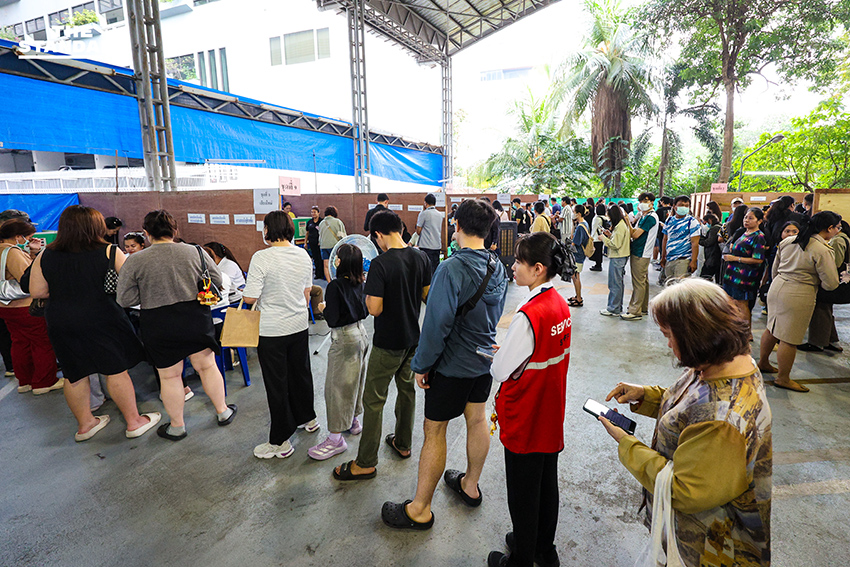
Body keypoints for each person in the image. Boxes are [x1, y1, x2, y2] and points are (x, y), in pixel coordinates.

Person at [600, 278, 771, 567]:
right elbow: (691, 406)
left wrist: (626, 443)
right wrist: (646, 396)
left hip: (711, 548)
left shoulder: (724, 421)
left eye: (669, 334)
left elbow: (685, 490)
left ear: (696, 335)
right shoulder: (719, 363)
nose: (667, 343)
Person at [382, 199, 508, 531]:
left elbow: (436, 325)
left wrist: (422, 365)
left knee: (435, 431)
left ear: (458, 226)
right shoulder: (498, 266)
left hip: (452, 367)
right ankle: (470, 485)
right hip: (484, 362)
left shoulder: (451, 268)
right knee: (477, 419)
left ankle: (420, 509)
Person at [30, 206, 160, 441]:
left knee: (74, 373)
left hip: (62, 320)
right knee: (115, 370)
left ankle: (86, 425)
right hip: (103, 318)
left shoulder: (46, 254)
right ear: (97, 226)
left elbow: (37, 290)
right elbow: (130, 285)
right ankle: (134, 421)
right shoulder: (110, 251)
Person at [485, 231, 570, 567]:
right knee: (547, 482)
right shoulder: (559, 303)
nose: (514, 266)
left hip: (527, 413)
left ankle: (520, 557)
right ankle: (542, 548)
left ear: (537, 268)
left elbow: (502, 371)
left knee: (522, 490)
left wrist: (499, 356)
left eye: (519, 261)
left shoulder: (529, 313)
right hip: (550, 410)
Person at [116, 210, 235, 440]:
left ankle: (177, 426)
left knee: (169, 376)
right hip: (195, 317)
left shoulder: (137, 260)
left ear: (147, 234)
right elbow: (218, 282)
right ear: (175, 231)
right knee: (207, 366)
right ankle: (223, 411)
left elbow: (124, 299)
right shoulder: (196, 252)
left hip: (158, 322)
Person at [333, 211, 431, 481]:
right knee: (407, 391)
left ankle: (365, 462)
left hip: (388, 344)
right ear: (400, 228)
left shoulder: (381, 264)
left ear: (378, 235)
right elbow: (427, 296)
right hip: (413, 340)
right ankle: (403, 443)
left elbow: (374, 309)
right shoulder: (421, 256)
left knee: (374, 401)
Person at [243, 211, 318, 458]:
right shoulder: (302, 254)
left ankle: (280, 442)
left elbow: (250, 297)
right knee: (301, 374)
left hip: (272, 330)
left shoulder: (261, 257)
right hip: (298, 325)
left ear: (267, 230)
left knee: (277, 384)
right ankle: (308, 419)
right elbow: (308, 292)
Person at [758, 211, 841, 392]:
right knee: (790, 338)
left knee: (771, 327)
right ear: (829, 228)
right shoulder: (821, 249)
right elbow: (830, 283)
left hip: (778, 286)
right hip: (799, 293)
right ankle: (783, 378)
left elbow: (775, 268)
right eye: (837, 228)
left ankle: (763, 362)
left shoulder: (788, 241)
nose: (837, 231)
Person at [308, 243, 369, 460]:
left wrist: (324, 308)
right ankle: (352, 420)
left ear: (340, 262)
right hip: (361, 334)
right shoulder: (361, 282)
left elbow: (333, 319)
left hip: (343, 338)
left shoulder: (335, 287)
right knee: (353, 381)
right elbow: (365, 310)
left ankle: (335, 439)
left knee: (335, 387)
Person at [0, 219, 62, 395]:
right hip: (24, 306)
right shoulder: (12, 253)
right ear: (18, 236)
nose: (29, 240)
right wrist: (35, 255)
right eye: (28, 237)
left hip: (6, 306)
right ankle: (44, 381)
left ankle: (25, 380)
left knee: (20, 342)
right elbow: (28, 280)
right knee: (42, 342)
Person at [799, 220, 850, 353]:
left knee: (821, 309)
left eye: (837, 227)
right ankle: (831, 340)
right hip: (839, 280)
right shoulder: (845, 239)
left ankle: (817, 343)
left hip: (833, 280)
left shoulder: (838, 241)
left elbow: (836, 263)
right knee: (827, 311)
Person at [722, 208, 767, 336]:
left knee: (742, 304)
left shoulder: (759, 237)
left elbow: (758, 259)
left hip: (745, 277)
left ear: (759, 221)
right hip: (732, 275)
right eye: (746, 217)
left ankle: (746, 334)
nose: (747, 220)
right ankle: (734, 329)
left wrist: (735, 258)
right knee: (732, 303)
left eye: (751, 218)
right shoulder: (744, 233)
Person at [623, 192, 659, 321]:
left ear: (652, 202)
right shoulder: (645, 216)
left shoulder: (650, 217)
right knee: (643, 282)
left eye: (646, 200)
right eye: (641, 200)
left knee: (638, 283)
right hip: (639, 251)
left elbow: (635, 235)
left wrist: (627, 221)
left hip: (641, 253)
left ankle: (634, 310)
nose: (643, 203)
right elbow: (635, 232)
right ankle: (643, 308)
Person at [599, 205, 630, 317]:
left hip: (618, 257)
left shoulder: (620, 226)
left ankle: (613, 309)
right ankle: (617, 306)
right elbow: (617, 239)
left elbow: (615, 244)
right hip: (620, 257)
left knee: (614, 284)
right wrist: (610, 235)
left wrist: (604, 239)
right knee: (618, 283)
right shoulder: (621, 224)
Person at [660, 195, 700, 282]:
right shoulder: (669, 220)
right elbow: (665, 239)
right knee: (669, 287)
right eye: (681, 205)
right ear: (674, 206)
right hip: (669, 259)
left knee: (680, 288)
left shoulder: (692, 222)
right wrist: (663, 257)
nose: (684, 207)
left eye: (687, 206)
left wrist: (693, 261)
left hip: (683, 260)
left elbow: (695, 243)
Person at [416, 193, 445, 276]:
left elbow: (418, 231)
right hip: (437, 246)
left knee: (426, 271)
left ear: (425, 203)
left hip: (426, 246)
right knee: (435, 269)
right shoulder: (439, 215)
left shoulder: (424, 213)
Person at [568, 204, 590, 308]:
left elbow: (575, 242)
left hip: (578, 254)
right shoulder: (584, 223)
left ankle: (579, 299)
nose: (573, 214)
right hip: (580, 254)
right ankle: (577, 296)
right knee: (575, 276)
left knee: (575, 276)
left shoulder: (581, 227)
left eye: (574, 212)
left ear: (579, 214)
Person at [319, 206, 347, 282]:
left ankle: (329, 282)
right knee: (337, 264)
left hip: (323, 246)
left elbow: (320, 236)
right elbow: (342, 236)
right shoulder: (338, 222)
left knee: (326, 265)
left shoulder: (321, 223)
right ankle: (338, 281)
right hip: (335, 246)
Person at [699, 214, 722, 283]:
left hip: (713, 257)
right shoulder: (720, 226)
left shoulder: (714, 228)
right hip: (717, 257)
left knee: (703, 278)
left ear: (710, 220)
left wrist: (698, 239)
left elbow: (708, 242)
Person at [306, 206, 325, 280]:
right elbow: (307, 233)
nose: (313, 214)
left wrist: (321, 241)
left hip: (320, 243)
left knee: (321, 258)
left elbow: (323, 232)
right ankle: (317, 274)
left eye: (314, 212)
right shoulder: (309, 222)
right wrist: (305, 243)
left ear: (318, 213)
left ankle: (323, 274)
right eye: (312, 212)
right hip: (312, 242)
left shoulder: (322, 222)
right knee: (315, 258)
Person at [589, 203, 607, 271]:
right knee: (599, 252)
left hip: (596, 237)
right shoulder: (605, 218)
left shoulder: (596, 218)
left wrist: (591, 237)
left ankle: (598, 266)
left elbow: (594, 228)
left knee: (596, 252)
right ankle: (598, 264)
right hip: (602, 237)